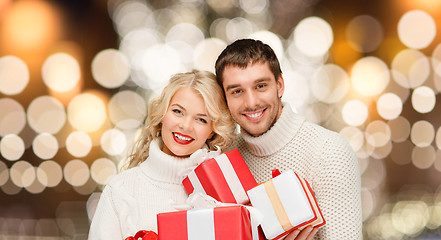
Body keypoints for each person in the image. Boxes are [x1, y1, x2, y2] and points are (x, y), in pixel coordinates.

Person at [215, 39, 362, 240]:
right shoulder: (223, 160)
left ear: (280, 85)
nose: (251, 102)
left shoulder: (329, 152)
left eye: (260, 86)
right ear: (225, 98)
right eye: (237, 91)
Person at [88, 70, 236, 239]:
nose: (186, 126)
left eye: (201, 119)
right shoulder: (121, 190)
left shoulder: (222, 193)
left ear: (212, 131)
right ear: (163, 114)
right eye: (178, 111)